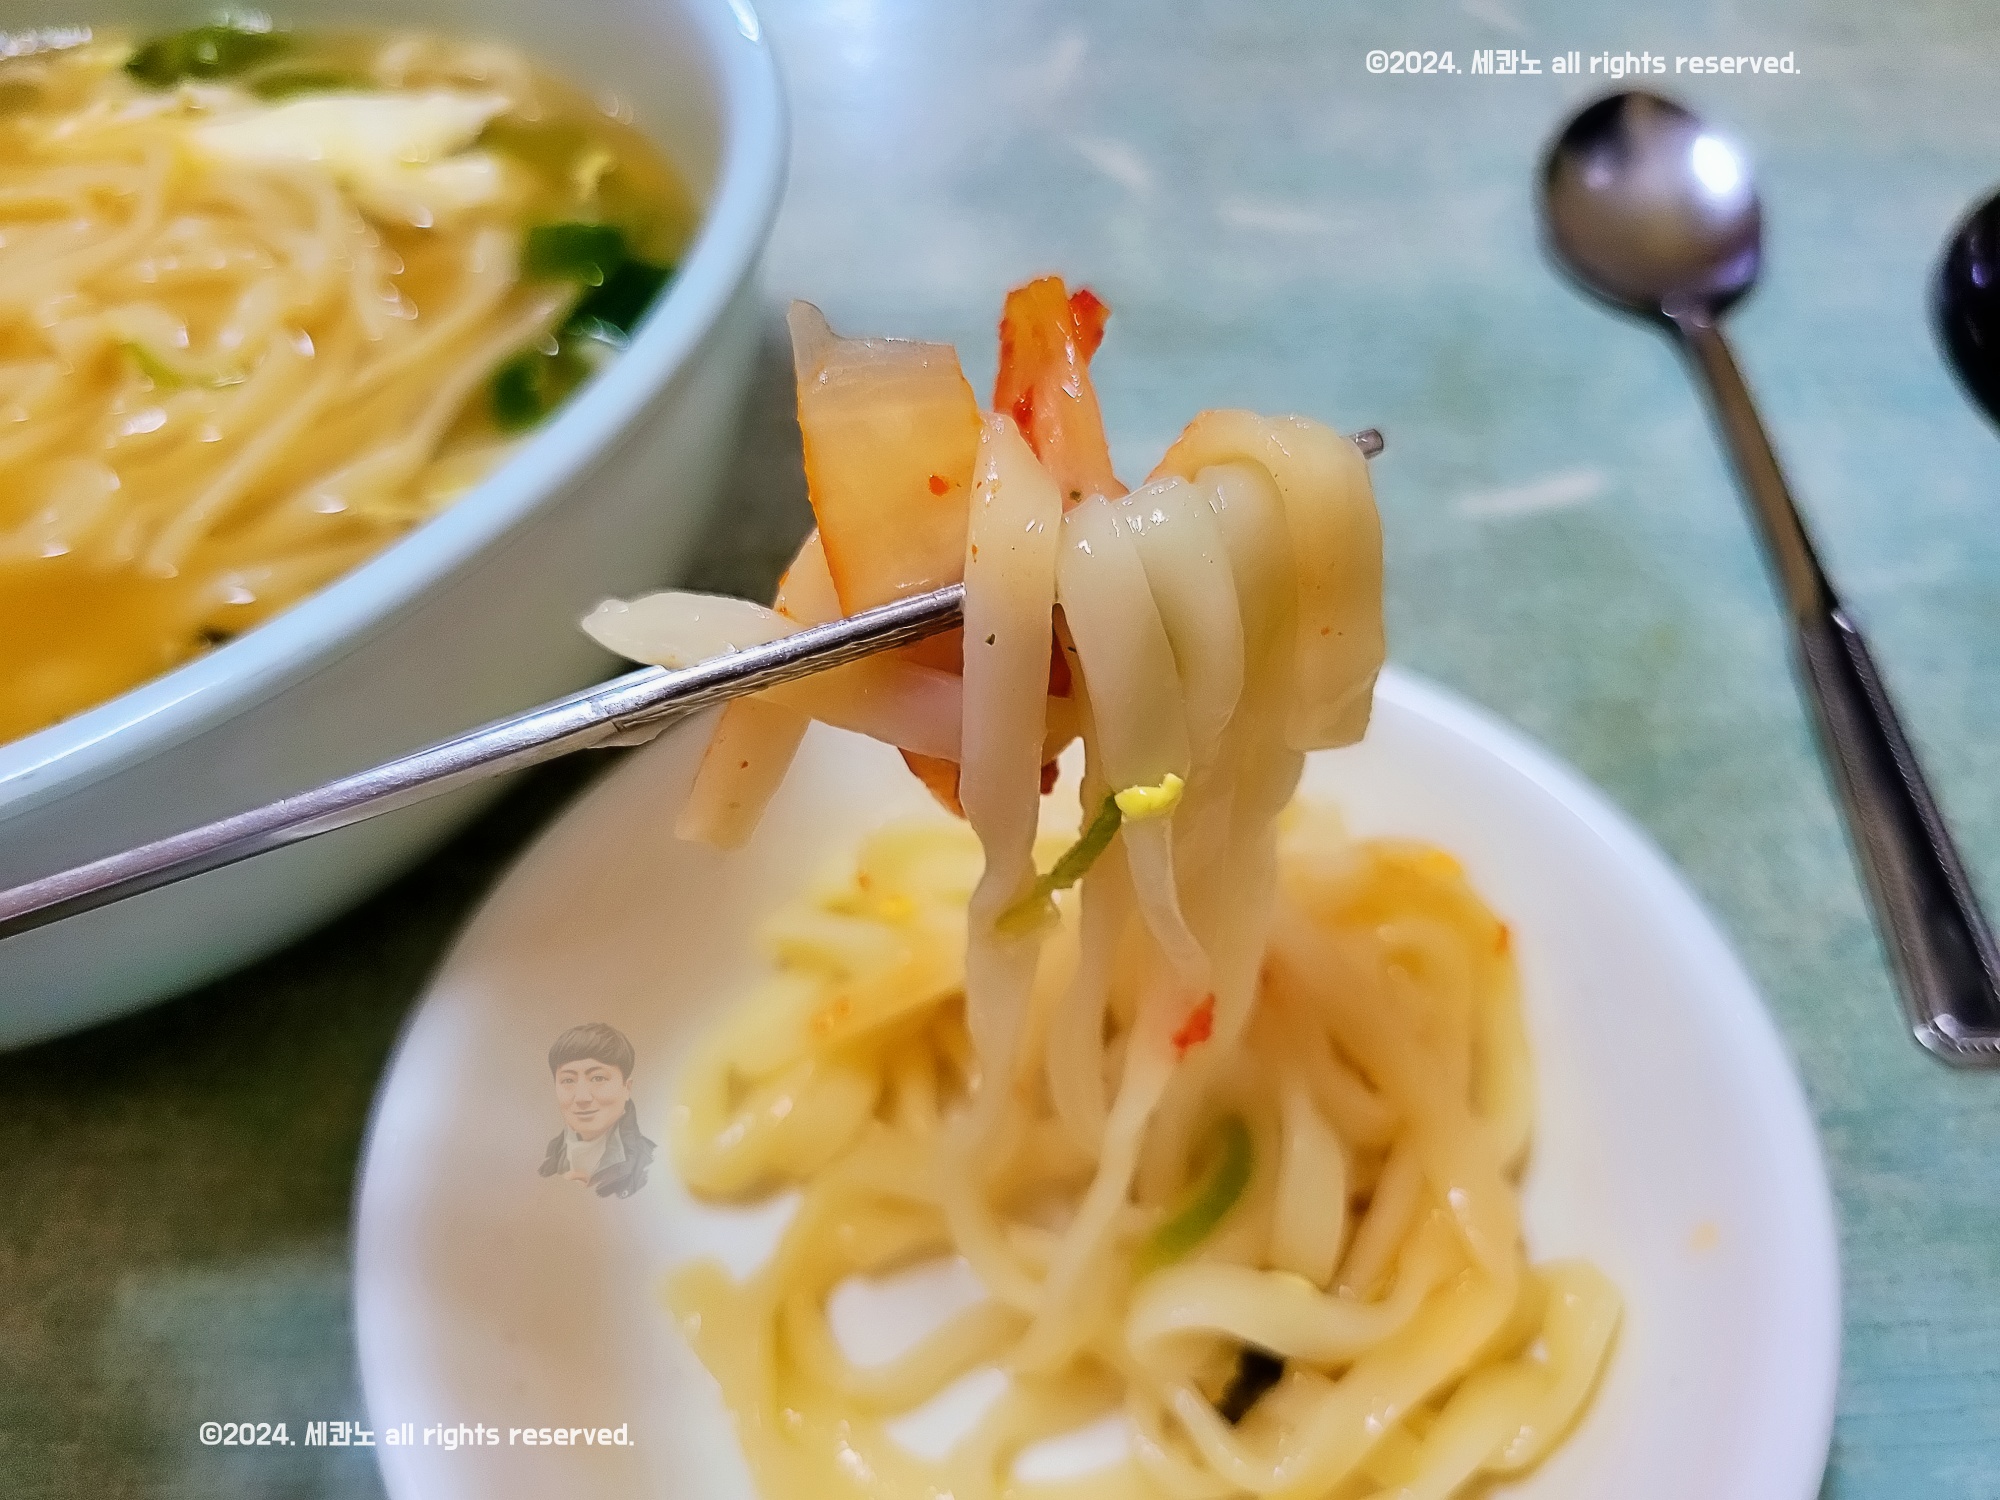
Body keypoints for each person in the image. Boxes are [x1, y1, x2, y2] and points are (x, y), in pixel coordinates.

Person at [537, 1022, 656, 1198]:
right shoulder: (545, 1164)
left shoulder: (651, 1165)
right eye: (568, 1080)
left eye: (598, 1078)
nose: (582, 1097)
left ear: (627, 1088)